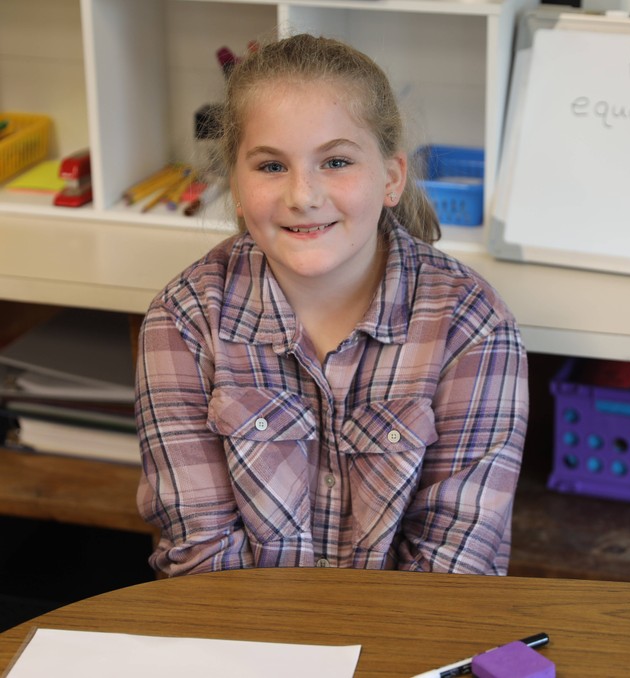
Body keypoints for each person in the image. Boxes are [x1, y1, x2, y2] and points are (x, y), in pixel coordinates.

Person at [135, 33, 528, 577]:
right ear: (238, 185)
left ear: (391, 177)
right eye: (271, 167)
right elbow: (204, 560)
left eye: (336, 161)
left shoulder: (472, 325)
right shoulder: (182, 321)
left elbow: (451, 572)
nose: (303, 194)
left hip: (406, 647)